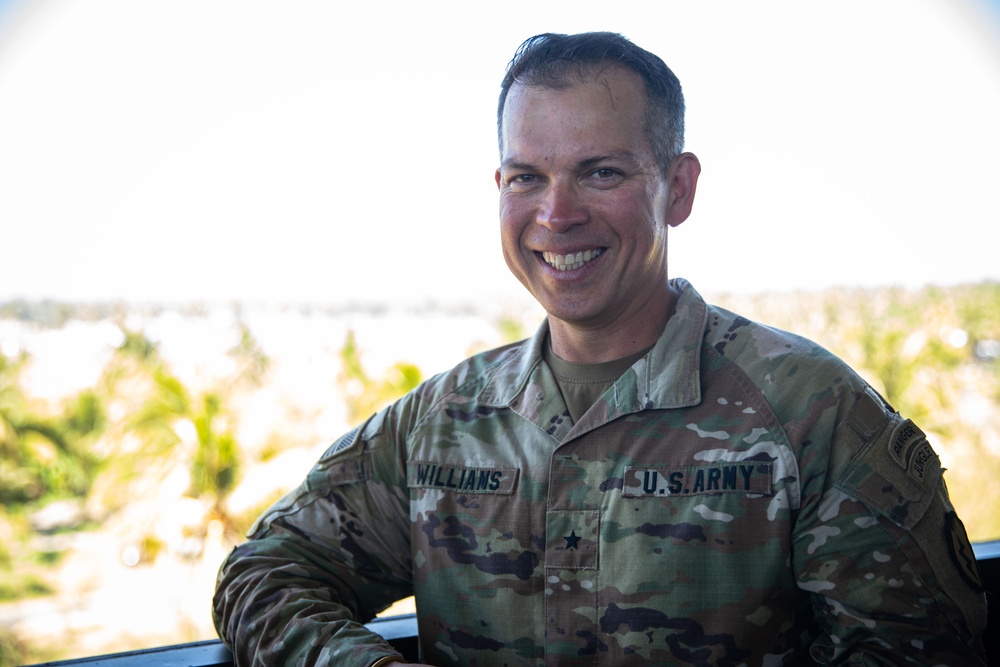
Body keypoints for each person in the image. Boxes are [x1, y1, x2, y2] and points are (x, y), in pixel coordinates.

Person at [213, 32, 987, 666]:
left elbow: (925, 650)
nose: (556, 213)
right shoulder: (443, 421)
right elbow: (264, 574)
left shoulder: (812, 412)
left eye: (601, 172)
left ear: (678, 188)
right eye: (527, 177)